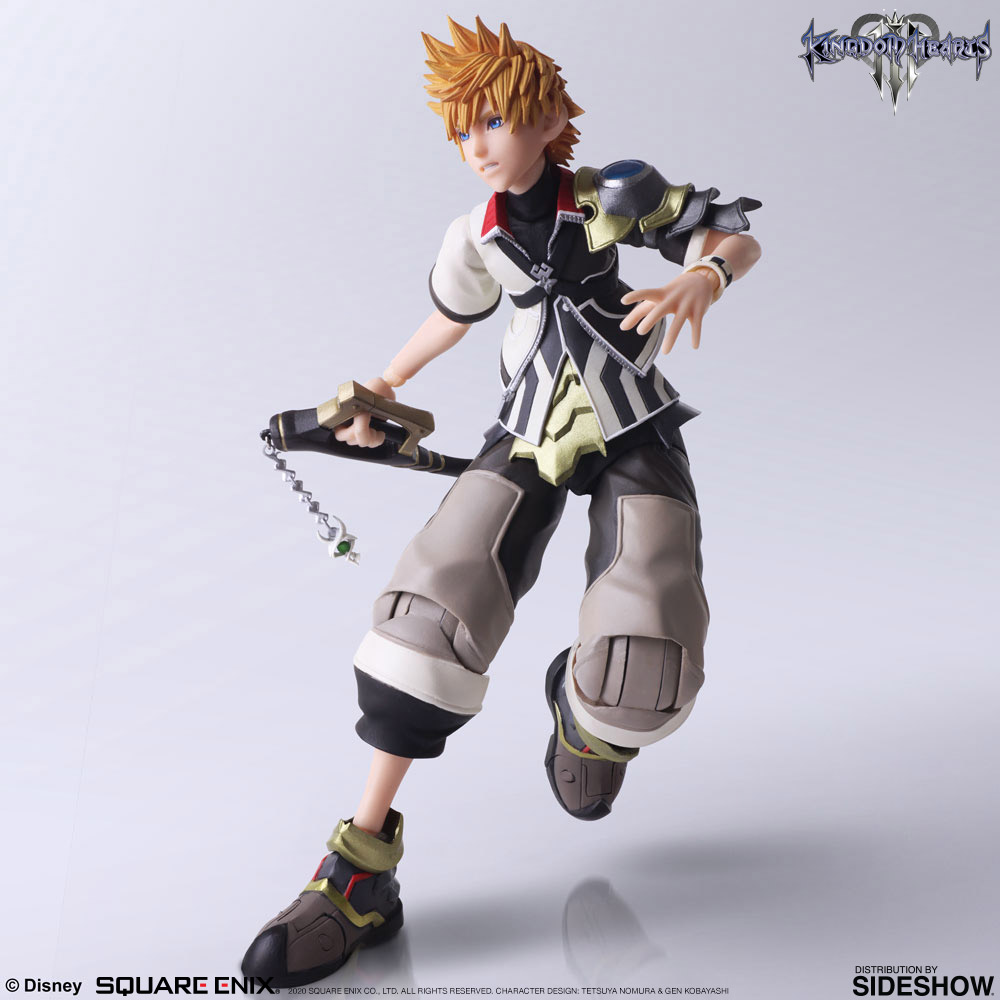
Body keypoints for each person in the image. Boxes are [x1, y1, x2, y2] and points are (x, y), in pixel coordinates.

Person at [242, 16, 761, 986]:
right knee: (423, 624)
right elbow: (449, 317)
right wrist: (382, 390)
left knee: (641, 667)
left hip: (633, 424)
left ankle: (583, 716)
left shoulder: (612, 194)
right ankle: (359, 875)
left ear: (550, 118)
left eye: (493, 120)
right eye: (462, 129)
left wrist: (702, 274)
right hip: (526, 428)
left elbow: (733, 233)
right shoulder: (474, 234)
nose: (478, 145)